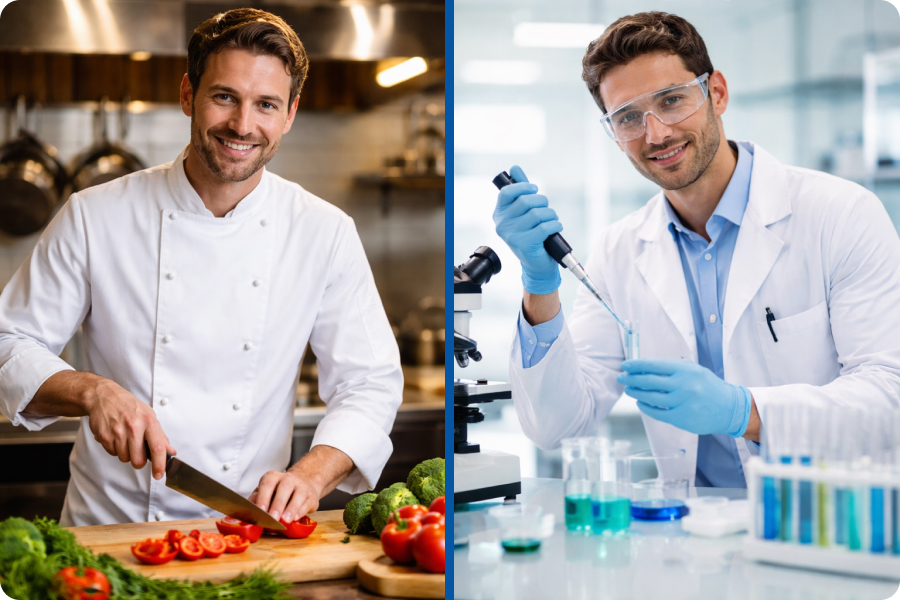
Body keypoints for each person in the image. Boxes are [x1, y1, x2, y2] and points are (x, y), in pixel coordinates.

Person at [0, 8, 403, 526]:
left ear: (290, 113)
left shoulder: (324, 231)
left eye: (266, 105)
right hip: (108, 533)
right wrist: (91, 390)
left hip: (244, 532)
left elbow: (369, 383)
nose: (243, 125)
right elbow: (8, 342)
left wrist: (311, 475)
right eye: (224, 97)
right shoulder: (94, 214)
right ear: (188, 94)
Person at [494, 11, 900, 488]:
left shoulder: (841, 214)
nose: (656, 134)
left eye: (671, 101)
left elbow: (889, 399)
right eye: (627, 118)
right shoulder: (619, 249)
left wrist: (743, 411)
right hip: (693, 540)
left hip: (823, 526)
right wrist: (540, 287)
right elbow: (556, 424)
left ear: (717, 93)